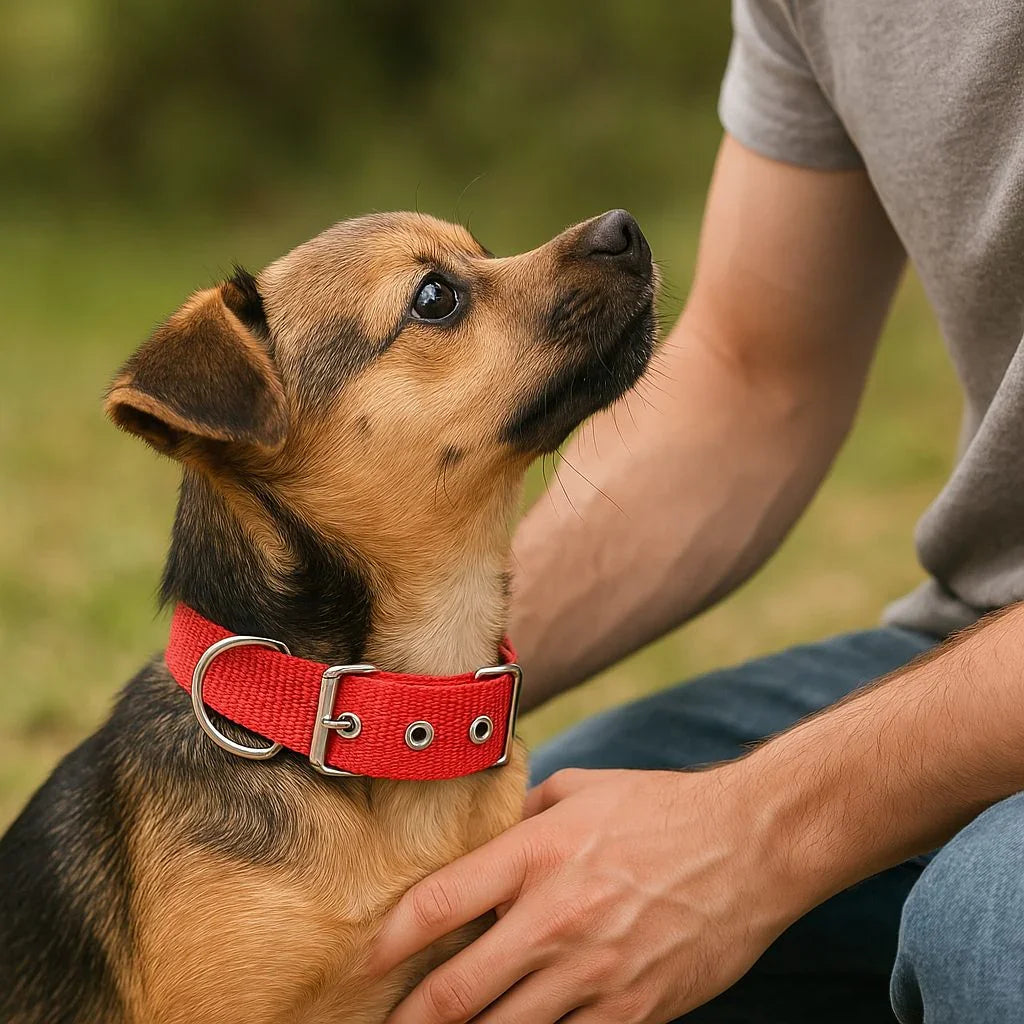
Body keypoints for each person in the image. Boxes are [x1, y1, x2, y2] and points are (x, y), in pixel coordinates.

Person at [373, 2, 1024, 1021]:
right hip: (989, 634)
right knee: (510, 896)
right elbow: (756, 375)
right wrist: (382, 694)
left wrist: (752, 833)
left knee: (992, 920)